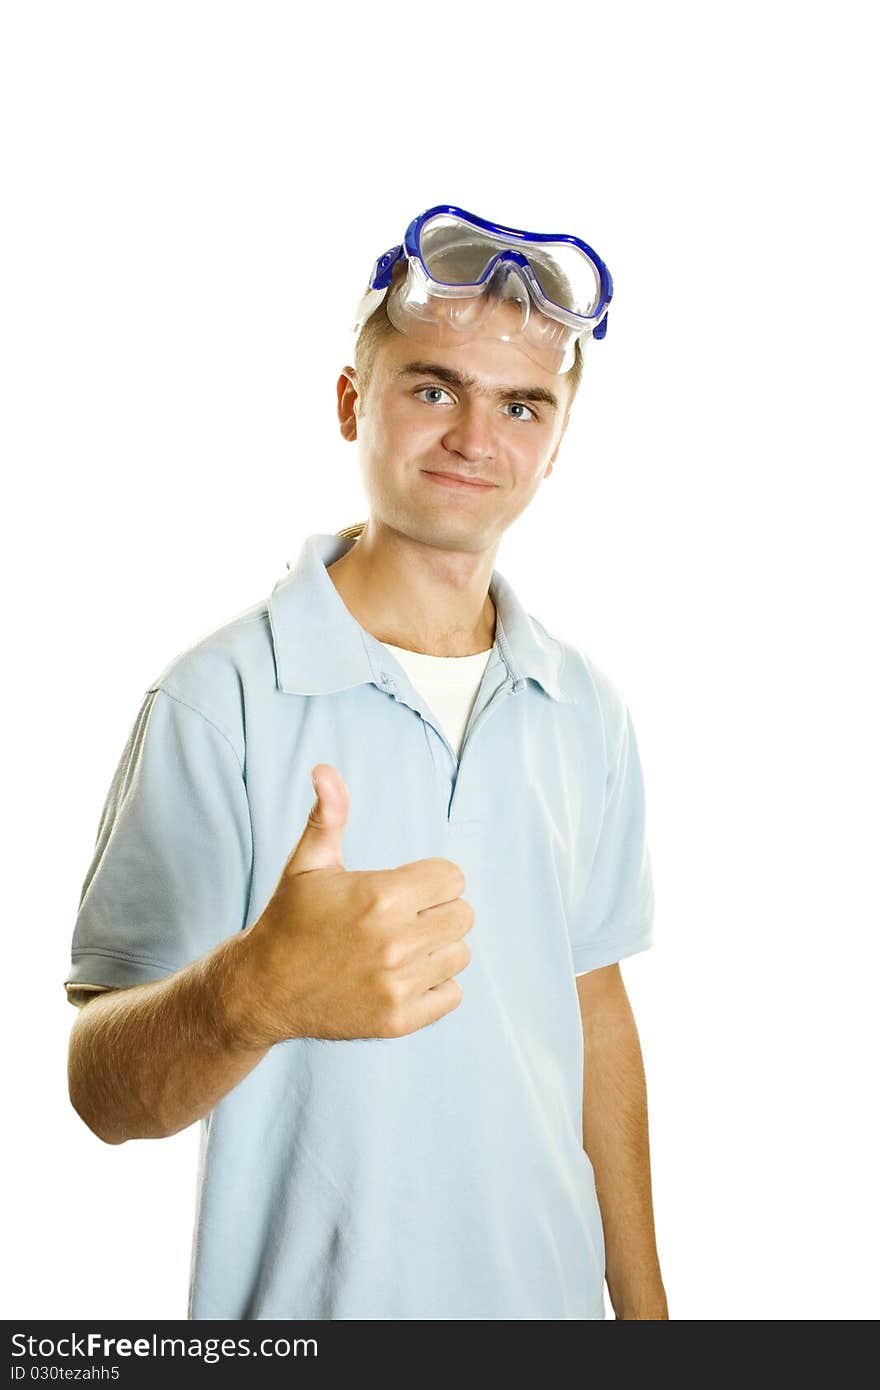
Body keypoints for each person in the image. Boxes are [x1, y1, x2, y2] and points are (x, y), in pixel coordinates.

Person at [65, 204, 668, 1321]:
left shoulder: (585, 709)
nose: (474, 438)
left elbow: (592, 1010)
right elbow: (101, 1091)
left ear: (556, 442)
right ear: (353, 402)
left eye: (520, 404)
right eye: (433, 387)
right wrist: (251, 991)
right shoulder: (219, 701)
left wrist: (650, 1322)